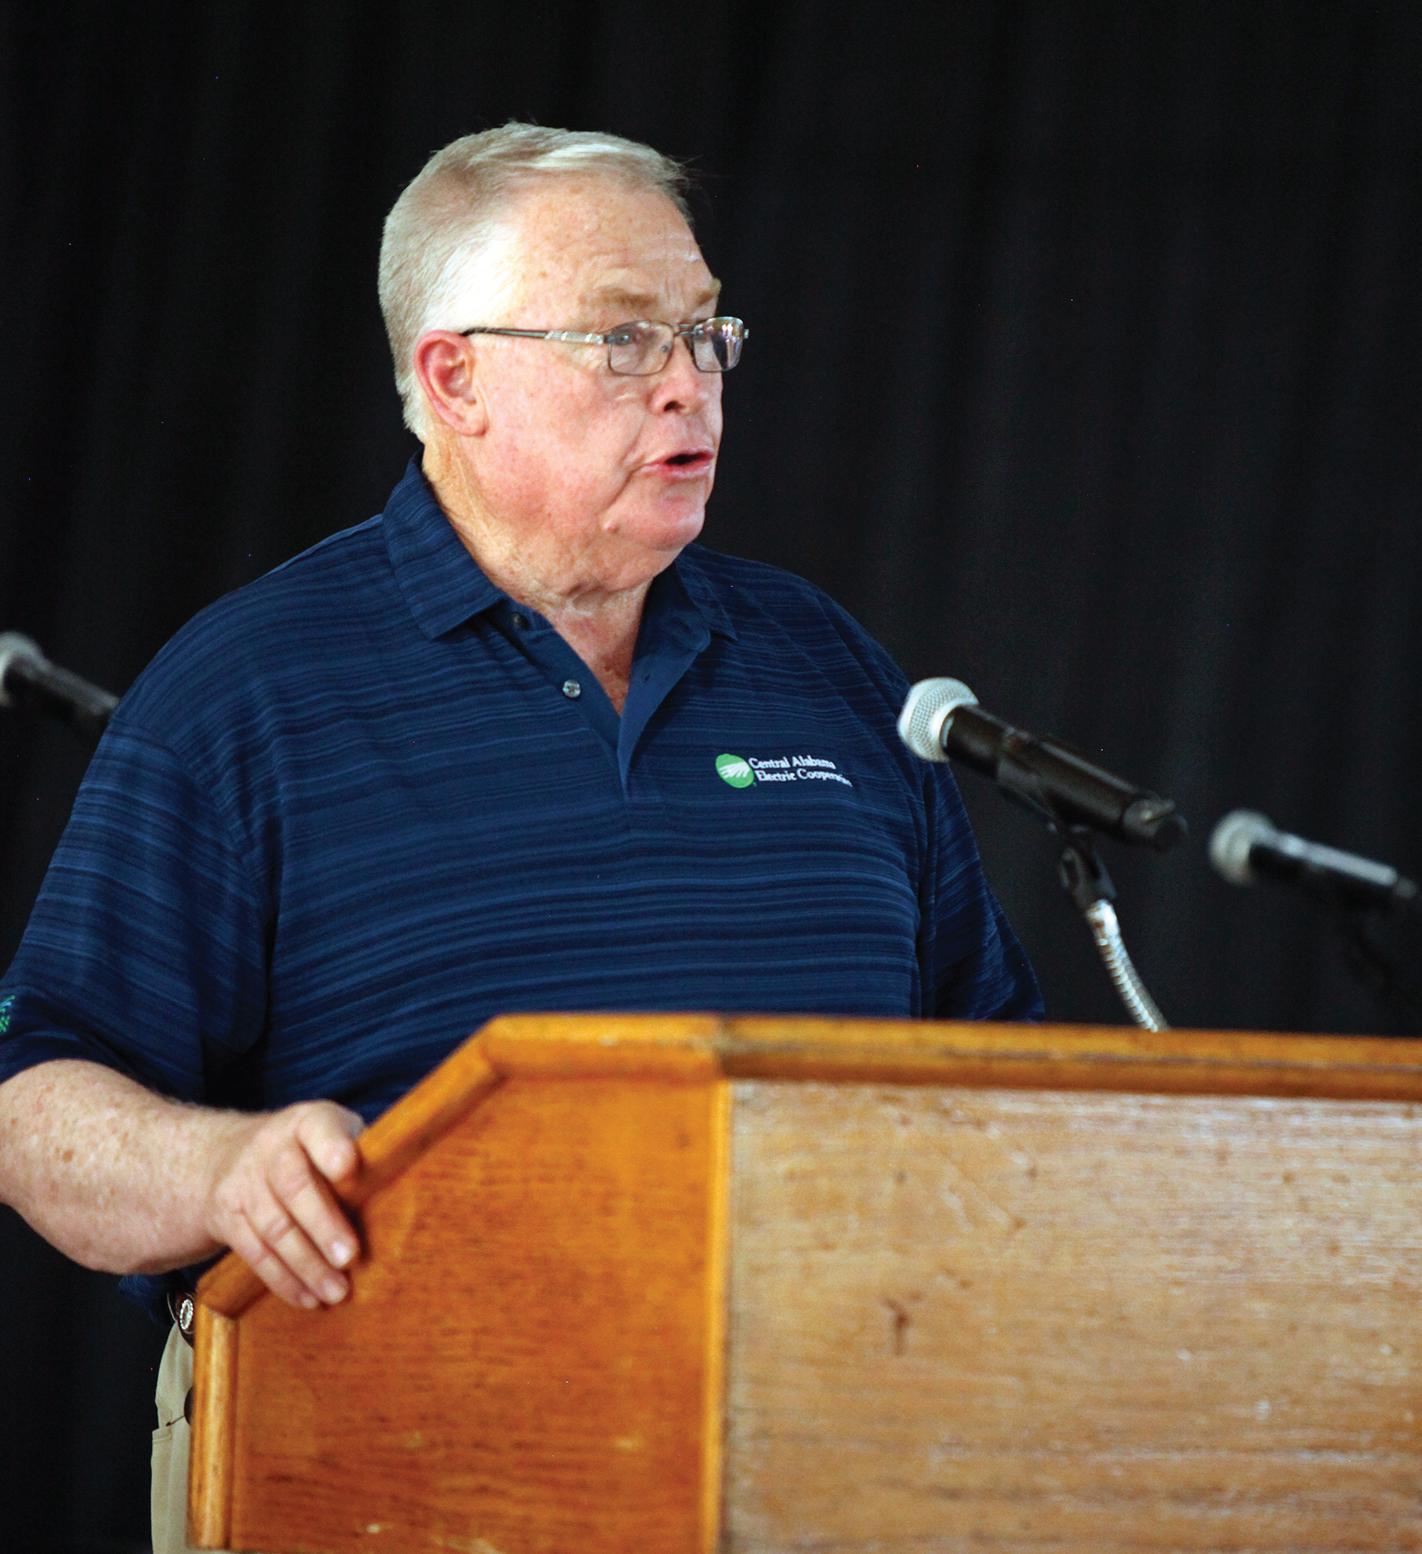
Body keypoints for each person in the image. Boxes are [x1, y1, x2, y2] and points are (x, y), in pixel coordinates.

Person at [0, 123, 1039, 1550]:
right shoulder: (248, 692)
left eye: (705, 332)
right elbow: (31, 1098)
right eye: (623, 339)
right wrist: (221, 1171)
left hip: (830, 1463)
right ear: (454, 379)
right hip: (401, 1475)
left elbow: (996, 1071)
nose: (688, 381)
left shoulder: (829, 667)